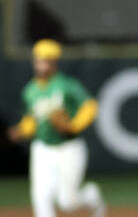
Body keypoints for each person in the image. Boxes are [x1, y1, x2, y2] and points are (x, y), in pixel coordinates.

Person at [5, 38, 106, 217]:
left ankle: (91, 196)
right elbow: (32, 120)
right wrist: (22, 130)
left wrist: (73, 126)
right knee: (40, 197)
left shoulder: (66, 85)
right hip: (42, 148)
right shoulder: (31, 90)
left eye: (46, 61)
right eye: (39, 60)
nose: (42, 65)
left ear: (54, 63)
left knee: (67, 202)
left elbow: (90, 107)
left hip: (68, 147)